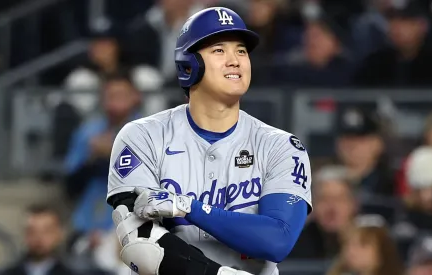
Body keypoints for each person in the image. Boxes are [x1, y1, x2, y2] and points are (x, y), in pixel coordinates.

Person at [106, 6, 311, 275]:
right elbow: (140, 245)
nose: (235, 60)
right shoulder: (142, 136)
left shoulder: (281, 146)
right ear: (189, 65)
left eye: (241, 50)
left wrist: (189, 207)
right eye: (219, 50)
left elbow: (277, 240)